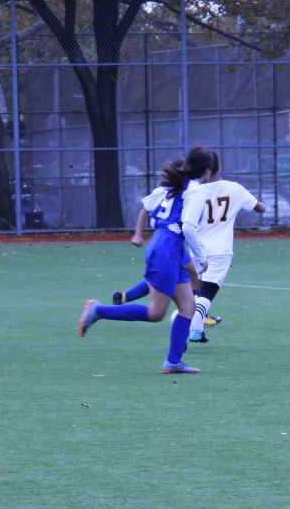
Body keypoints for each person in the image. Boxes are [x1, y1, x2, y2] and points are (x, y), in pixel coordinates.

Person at [77, 146, 218, 374]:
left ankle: (173, 362)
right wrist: (201, 258)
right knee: (156, 313)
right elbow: (189, 227)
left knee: (187, 306)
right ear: (208, 170)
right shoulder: (195, 190)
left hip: (168, 246)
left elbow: (158, 215)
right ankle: (98, 311)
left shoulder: (175, 187)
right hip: (166, 249)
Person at [112, 175, 265, 344]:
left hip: (178, 244)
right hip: (187, 245)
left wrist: (138, 234)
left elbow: (146, 210)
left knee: (175, 280)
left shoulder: (181, 191)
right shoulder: (197, 191)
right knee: (193, 291)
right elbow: (185, 225)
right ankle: (191, 321)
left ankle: (194, 325)